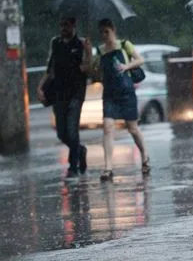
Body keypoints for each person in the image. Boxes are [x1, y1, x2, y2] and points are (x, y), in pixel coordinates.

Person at [93, 18, 150, 181]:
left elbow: (140, 59)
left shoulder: (124, 45)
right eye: (102, 32)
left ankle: (145, 156)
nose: (104, 35)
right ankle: (108, 167)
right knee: (108, 127)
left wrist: (127, 66)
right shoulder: (100, 50)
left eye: (107, 31)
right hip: (110, 93)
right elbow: (95, 71)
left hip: (126, 92)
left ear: (113, 30)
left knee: (132, 128)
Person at [37, 17, 92, 178]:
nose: (63, 28)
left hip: (76, 93)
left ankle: (72, 166)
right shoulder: (55, 43)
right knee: (62, 132)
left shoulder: (81, 44)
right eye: (61, 25)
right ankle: (80, 150)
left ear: (73, 26)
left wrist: (88, 52)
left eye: (66, 25)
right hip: (59, 94)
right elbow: (50, 68)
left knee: (72, 130)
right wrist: (40, 87)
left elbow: (87, 70)